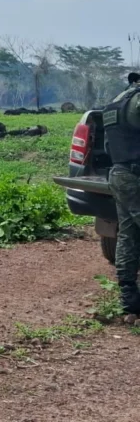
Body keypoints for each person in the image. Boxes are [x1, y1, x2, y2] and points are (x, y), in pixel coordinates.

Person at [103, 77, 140, 316]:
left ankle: (129, 299)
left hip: (119, 173)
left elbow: (108, 147)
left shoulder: (114, 103)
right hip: (137, 176)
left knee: (128, 235)